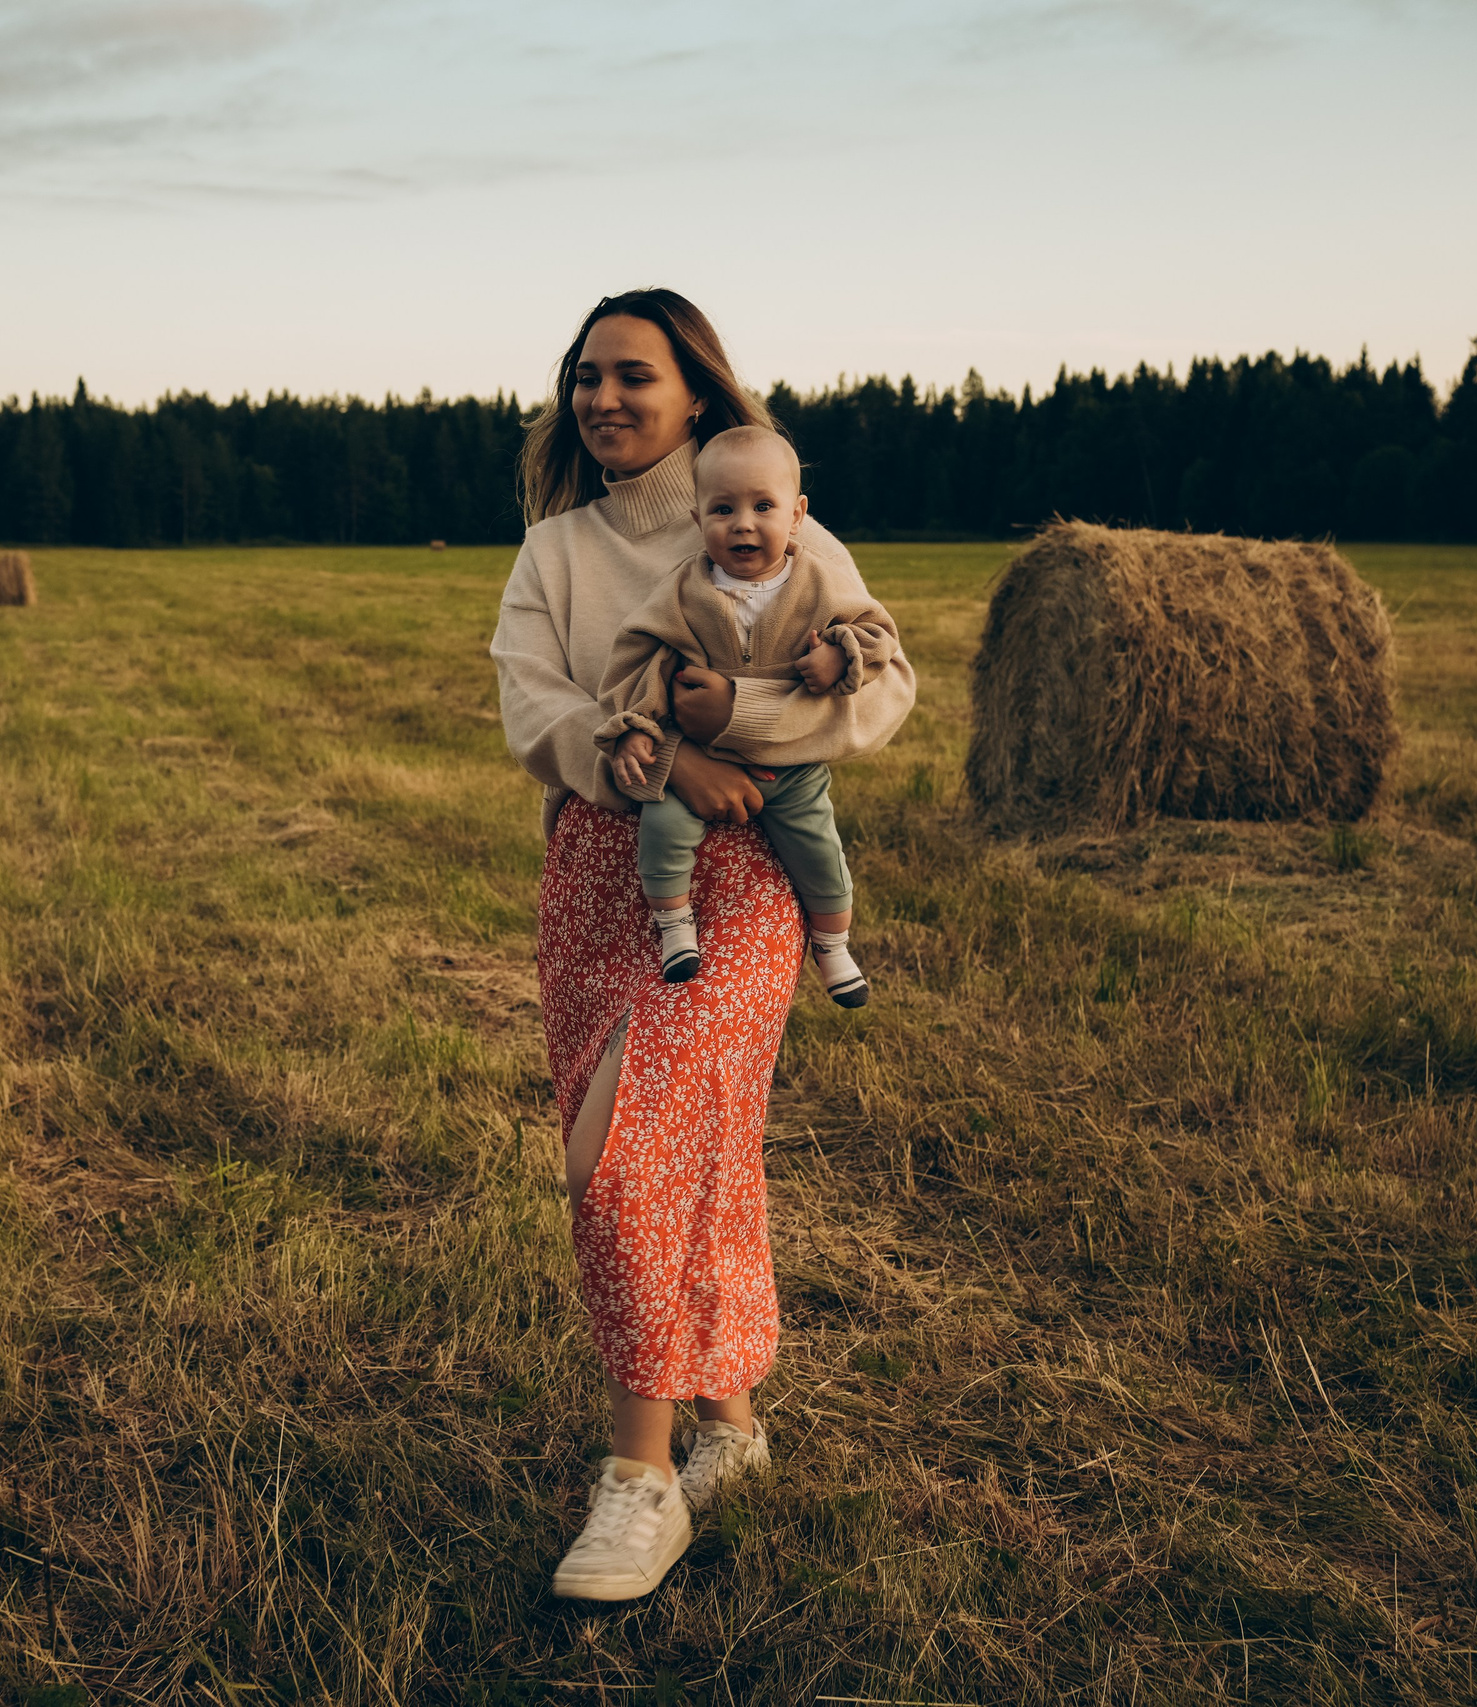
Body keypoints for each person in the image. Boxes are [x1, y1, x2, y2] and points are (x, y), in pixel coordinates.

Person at [490, 289, 916, 1601]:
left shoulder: (767, 518)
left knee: (630, 1145)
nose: (602, 398)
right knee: (686, 1147)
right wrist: (654, 753)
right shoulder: (555, 549)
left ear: (696, 392)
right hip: (595, 869)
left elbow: (884, 680)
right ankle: (731, 1421)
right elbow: (533, 704)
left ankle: (640, 1477)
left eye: (633, 375)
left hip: (737, 878)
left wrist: (745, 731)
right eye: (585, 377)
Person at [591, 425, 899, 1005]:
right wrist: (633, 727)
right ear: (696, 518)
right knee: (662, 830)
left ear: (797, 513)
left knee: (818, 848)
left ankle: (833, 947)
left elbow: (878, 634)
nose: (743, 523)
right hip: (701, 755)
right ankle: (675, 927)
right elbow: (641, 656)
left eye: (764, 507)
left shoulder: (816, 580)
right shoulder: (684, 589)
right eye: (723, 509)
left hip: (793, 761)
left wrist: (840, 655)